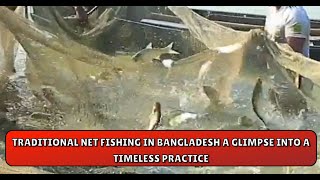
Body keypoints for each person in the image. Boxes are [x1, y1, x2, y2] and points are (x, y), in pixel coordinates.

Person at [264, 6, 313, 96]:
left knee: (294, 108)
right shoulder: (272, 10)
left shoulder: (295, 14)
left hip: (292, 82)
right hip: (274, 76)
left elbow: (293, 56)